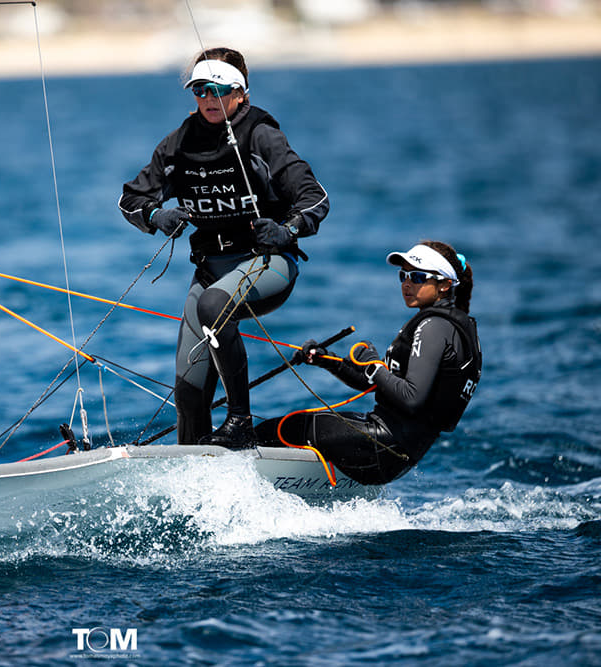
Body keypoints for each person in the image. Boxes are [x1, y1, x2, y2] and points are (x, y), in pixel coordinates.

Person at [118, 47, 329, 447]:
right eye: (200, 90)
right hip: (209, 272)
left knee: (213, 306)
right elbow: (130, 200)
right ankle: (197, 473)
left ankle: (240, 423)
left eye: (219, 90)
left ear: (241, 93)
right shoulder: (178, 144)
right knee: (188, 390)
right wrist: (155, 217)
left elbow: (315, 198)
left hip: (266, 264)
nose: (209, 99)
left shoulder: (261, 136)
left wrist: (288, 229)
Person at [255, 240, 482, 485]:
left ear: (445, 285)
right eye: (403, 275)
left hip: (384, 443)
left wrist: (373, 365)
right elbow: (376, 383)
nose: (407, 283)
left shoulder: (434, 327)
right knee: (300, 427)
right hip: (396, 454)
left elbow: (411, 397)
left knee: (277, 429)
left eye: (417, 277)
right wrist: (326, 360)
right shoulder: (453, 326)